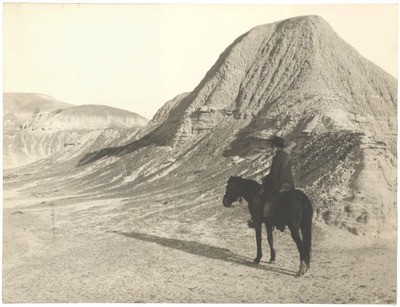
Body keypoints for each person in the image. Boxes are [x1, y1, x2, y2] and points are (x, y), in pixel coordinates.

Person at [248, 136, 295, 231]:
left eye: (272, 146)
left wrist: (266, 180)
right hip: (289, 184)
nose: (271, 148)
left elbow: (273, 174)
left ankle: (265, 219)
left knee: (260, 197)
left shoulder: (277, 157)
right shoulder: (286, 156)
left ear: (275, 147)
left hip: (279, 184)